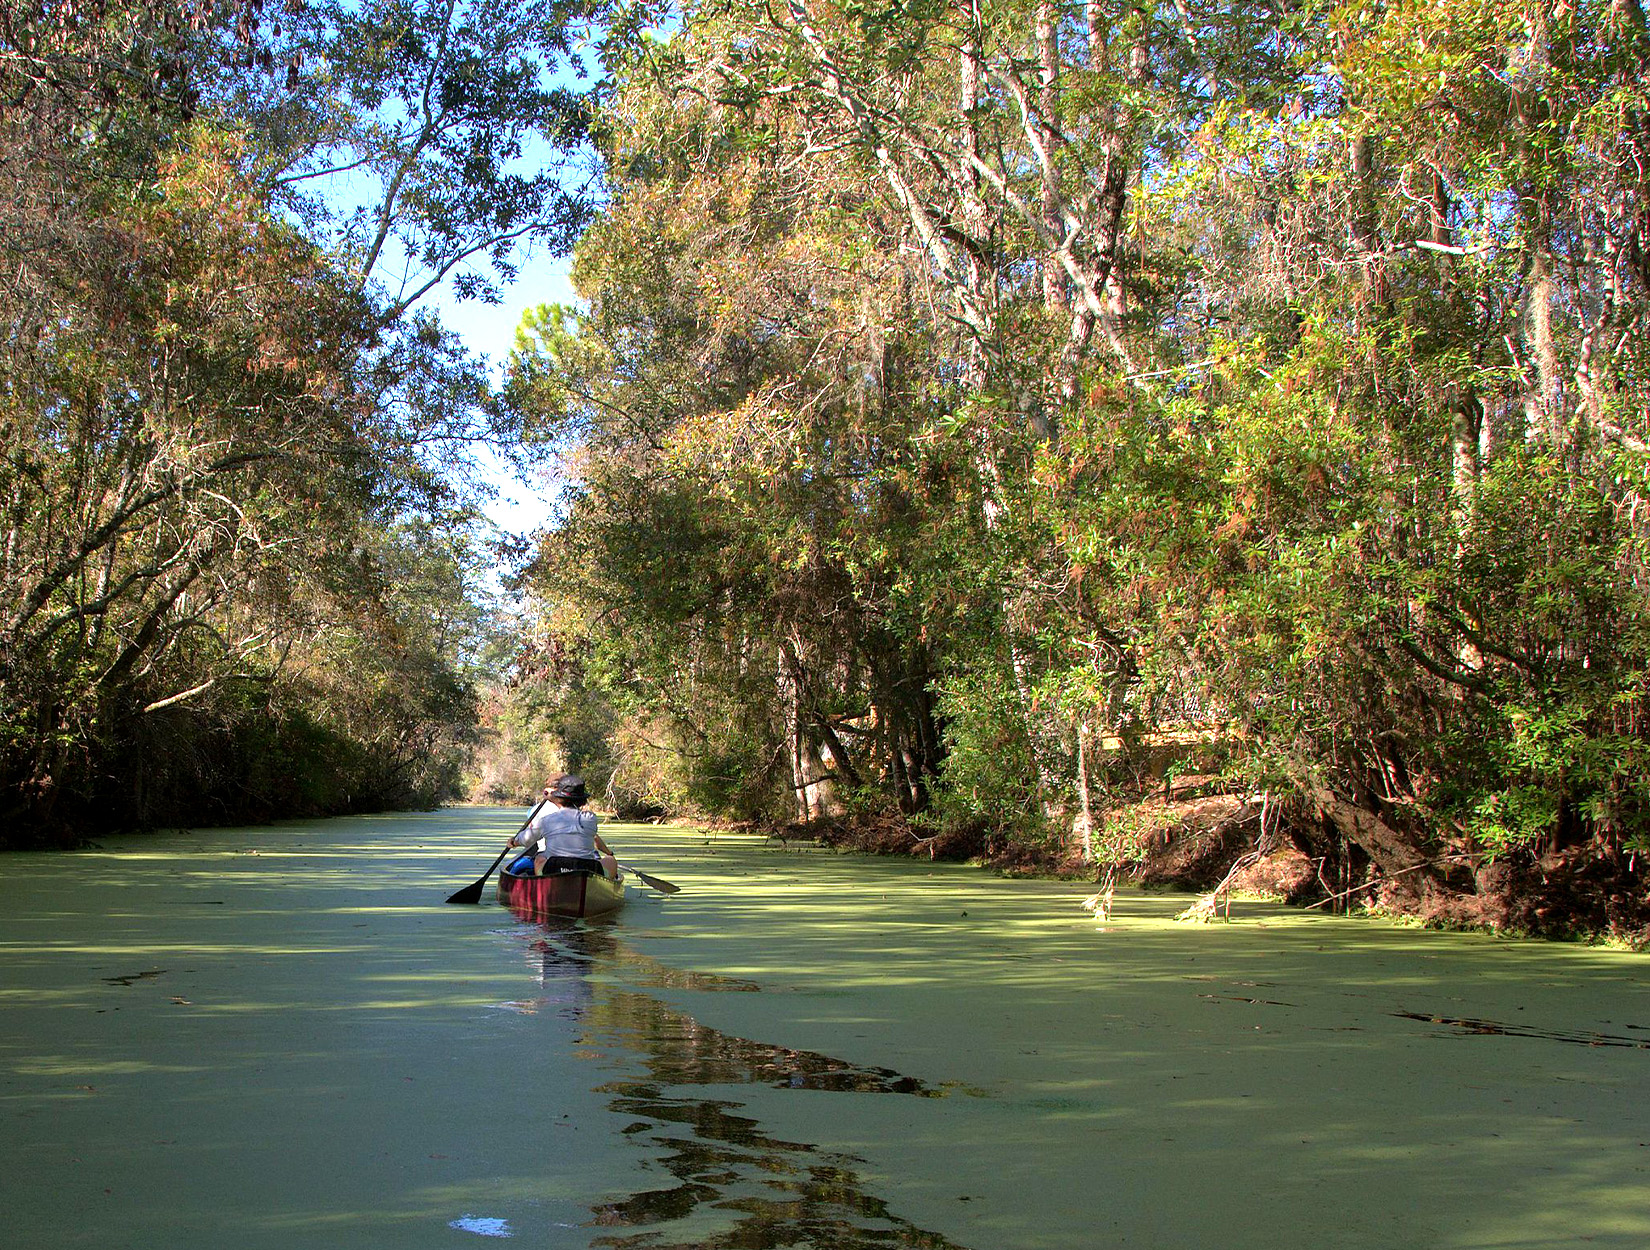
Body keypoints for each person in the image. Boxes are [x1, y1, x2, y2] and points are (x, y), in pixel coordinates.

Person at [505, 774, 618, 879]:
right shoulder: (591, 818)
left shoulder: (547, 820)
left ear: (558, 797)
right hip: (587, 868)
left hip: (555, 868)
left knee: (540, 858)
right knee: (610, 860)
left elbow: (527, 839)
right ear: (582, 800)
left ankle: (544, 883)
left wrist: (514, 842)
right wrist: (609, 853)